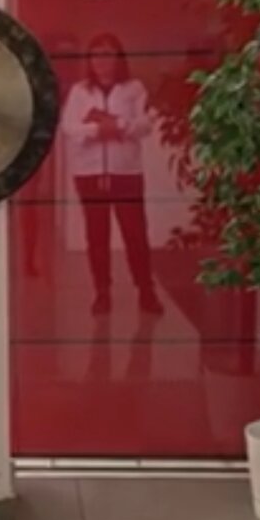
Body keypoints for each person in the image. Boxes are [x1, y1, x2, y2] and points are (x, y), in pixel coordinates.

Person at [62, 32, 163, 317]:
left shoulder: (133, 88)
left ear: (118, 58)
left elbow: (145, 124)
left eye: (107, 54)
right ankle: (102, 293)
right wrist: (97, 130)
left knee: (135, 234)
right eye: (96, 55)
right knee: (97, 236)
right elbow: (69, 127)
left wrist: (118, 125)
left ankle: (146, 291)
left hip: (126, 172)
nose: (101, 61)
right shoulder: (80, 91)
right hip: (89, 174)